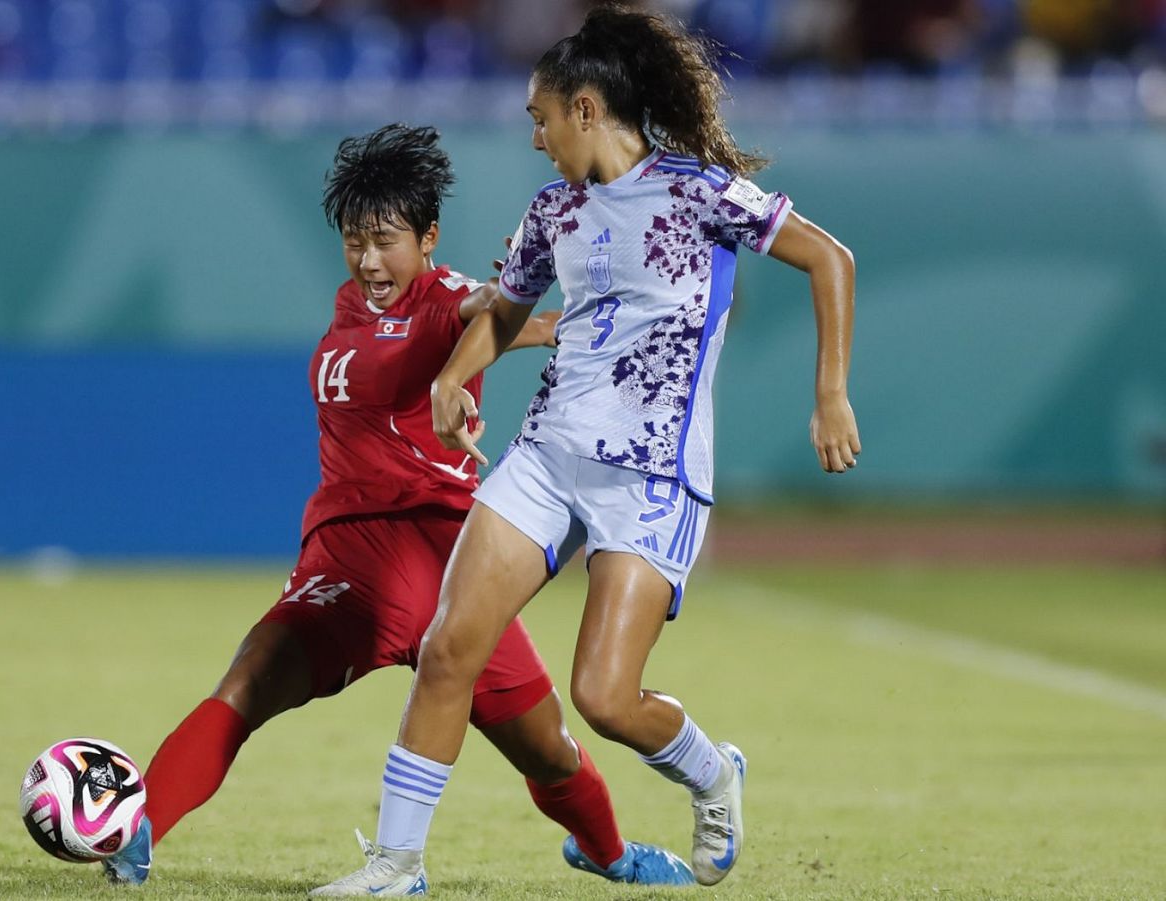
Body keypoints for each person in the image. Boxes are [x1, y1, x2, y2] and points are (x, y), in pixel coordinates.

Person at [313, 5, 860, 896]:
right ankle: (395, 866)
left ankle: (713, 772)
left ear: (586, 108)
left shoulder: (701, 192)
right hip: (547, 453)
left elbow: (829, 259)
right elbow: (502, 308)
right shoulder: (553, 211)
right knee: (450, 645)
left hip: (650, 473)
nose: (534, 139)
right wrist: (455, 375)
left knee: (606, 698)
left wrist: (829, 392)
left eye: (539, 117)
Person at [99, 123, 696, 890]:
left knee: (548, 748)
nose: (369, 259)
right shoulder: (350, 307)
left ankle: (611, 853)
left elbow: (491, 309)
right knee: (248, 680)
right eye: (355, 239)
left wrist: (536, 296)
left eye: (385, 240)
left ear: (428, 238)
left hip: (447, 559)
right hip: (350, 558)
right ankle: (137, 831)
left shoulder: (446, 299)